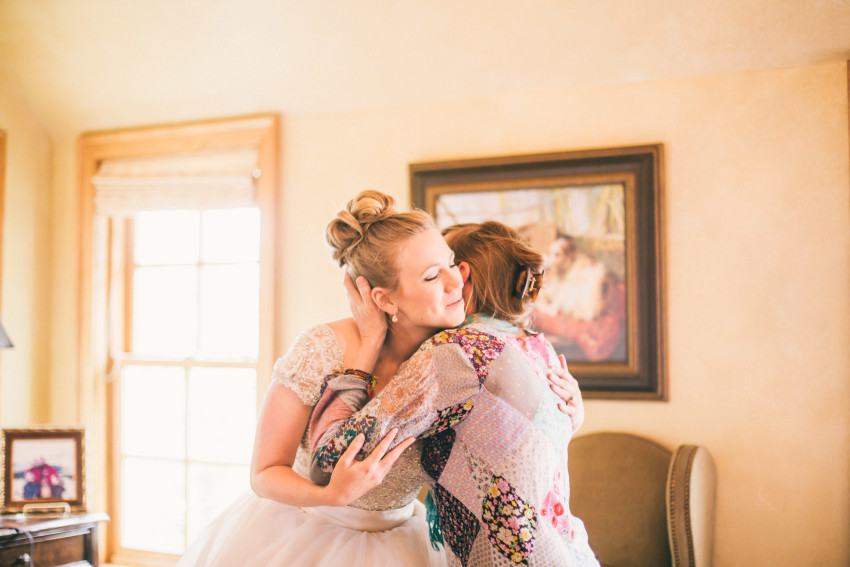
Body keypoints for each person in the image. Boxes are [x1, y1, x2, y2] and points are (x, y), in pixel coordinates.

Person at [178, 192, 582, 567]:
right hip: (304, 537)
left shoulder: (454, 359)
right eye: (430, 276)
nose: (456, 281)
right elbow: (263, 473)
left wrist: (568, 413)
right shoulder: (323, 347)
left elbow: (509, 439)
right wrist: (329, 494)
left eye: (451, 264)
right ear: (385, 299)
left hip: (403, 539)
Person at [308, 221, 600, 566]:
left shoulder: (461, 352)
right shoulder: (538, 346)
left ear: (463, 277)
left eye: (444, 269)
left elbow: (328, 458)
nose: (445, 279)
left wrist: (365, 351)